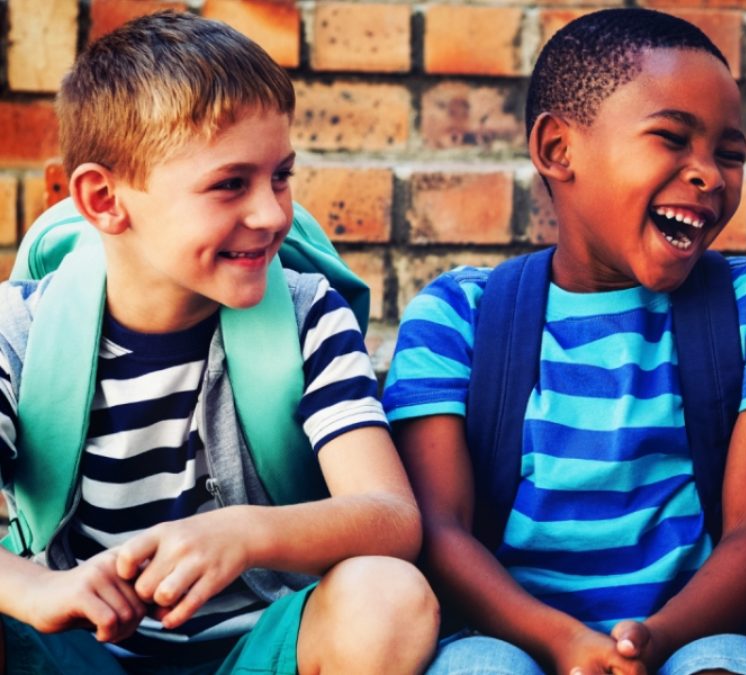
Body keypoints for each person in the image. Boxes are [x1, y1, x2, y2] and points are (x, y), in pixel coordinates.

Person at [0, 12, 437, 674]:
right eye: (231, 183)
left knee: (389, 595)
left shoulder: (306, 315)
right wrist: (37, 588)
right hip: (79, 652)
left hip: (257, 650)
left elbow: (393, 518)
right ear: (104, 199)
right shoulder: (20, 331)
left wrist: (246, 533)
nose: (271, 214)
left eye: (281, 176)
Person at [384, 8, 746, 675]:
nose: (709, 173)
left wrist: (652, 642)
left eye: (728, 153)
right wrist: (562, 643)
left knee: (729, 665)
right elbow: (441, 529)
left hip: (693, 636)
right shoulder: (458, 316)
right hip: (512, 637)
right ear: (559, 150)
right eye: (672, 138)